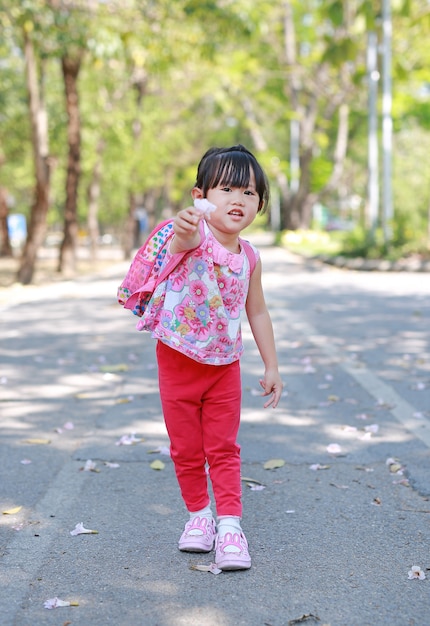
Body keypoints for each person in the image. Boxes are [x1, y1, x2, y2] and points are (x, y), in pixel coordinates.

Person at [147, 144, 283, 570]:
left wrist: (271, 365)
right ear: (200, 196)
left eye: (249, 192)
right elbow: (183, 238)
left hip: (224, 367)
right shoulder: (194, 237)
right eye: (226, 189)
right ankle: (198, 517)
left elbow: (256, 309)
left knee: (223, 448)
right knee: (186, 449)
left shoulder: (251, 258)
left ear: (260, 203)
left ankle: (229, 526)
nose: (238, 200)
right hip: (177, 362)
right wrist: (187, 223)